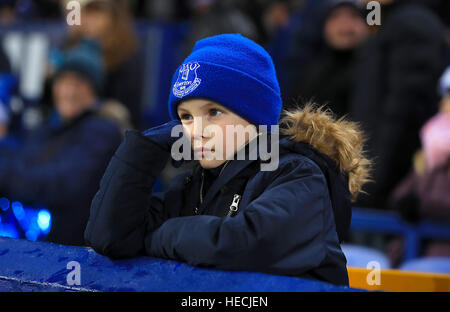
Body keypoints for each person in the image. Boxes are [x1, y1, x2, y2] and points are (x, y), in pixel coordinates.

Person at [84, 34, 371, 286]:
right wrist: (146, 148)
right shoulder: (194, 185)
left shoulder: (299, 173)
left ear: (254, 117)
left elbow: (243, 245)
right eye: (186, 117)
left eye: (214, 112)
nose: (196, 131)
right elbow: (109, 237)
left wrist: (158, 236)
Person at [0, 39, 123, 245]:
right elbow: (23, 162)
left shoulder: (102, 132)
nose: (69, 92)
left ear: (94, 91)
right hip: (32, 246)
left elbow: (61, 186)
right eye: (64, 81)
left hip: (75, 254)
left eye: (80, 83)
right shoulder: (46, 129)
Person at [348, 0, 448, 209]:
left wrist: (371, 181)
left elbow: (406, 113)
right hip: (373, 174)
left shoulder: (412, 22)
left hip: (386, 186)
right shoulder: (388, 22)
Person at [387, 67, 450, 265]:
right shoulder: (431, 146)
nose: (445, 103)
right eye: (445, 96)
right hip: (412, 248)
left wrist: (421, 205)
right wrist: (405, 201)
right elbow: (402, 194)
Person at [287, 0, 369, 117]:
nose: (345, 24)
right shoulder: (309, 73)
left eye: (353, 16)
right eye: (335, 17)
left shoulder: (377, 70)